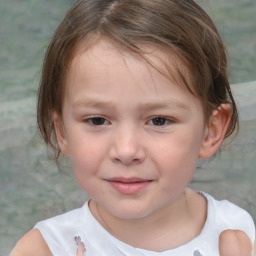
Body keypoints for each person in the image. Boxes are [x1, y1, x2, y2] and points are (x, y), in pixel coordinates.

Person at [11, 0, 255, 255]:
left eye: (159, 120)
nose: (126, 151)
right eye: (97, 120)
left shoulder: (238, 236)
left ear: (211, 130)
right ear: (62, 131)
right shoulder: (45, 249)